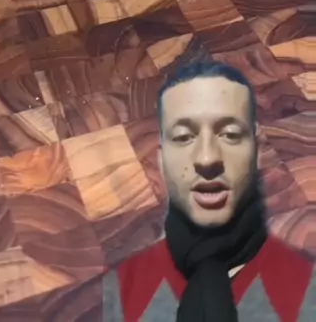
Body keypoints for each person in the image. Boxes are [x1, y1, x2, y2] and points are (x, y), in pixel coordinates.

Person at [103, 60, 315, 321]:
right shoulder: (119, 290)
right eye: (184, 137)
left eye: (229, 135)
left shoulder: (306, 286)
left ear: (256, 153)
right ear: (161, 160)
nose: (207, 158)